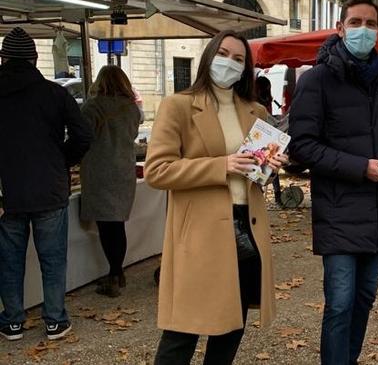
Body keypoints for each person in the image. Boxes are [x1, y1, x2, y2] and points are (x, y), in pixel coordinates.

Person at [145, 30, 286, 365]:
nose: (230, 63)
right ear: (209, 56)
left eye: (239, 59)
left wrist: (270, 167)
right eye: (223, 54)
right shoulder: (178, 106)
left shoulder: (256, 112)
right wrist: (220, 166)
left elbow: (254, 177)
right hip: (200, 233)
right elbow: (157, 171)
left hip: (245, 228)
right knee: (183, 330)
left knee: (231, 325)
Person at [289, 0, 378, 365]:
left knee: (365, 298)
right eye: (355, 23)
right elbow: (302, 147)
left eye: (370, 24)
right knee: (339, 304)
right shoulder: (317, 80)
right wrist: (361, 167)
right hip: (338, 210)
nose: (363, 30)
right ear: (340, 29)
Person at [0, 27, 92, 341]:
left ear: (3, 57)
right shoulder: (56, 93)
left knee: (9, 261)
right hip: (50, 189)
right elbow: (84, 136)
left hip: (6, 193)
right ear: (35, 59)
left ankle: (12, 321)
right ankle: (54, 320)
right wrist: (62, 160)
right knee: (53, 260)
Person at [79, 65, 141, 298]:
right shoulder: (132, 109)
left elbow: (83, 137)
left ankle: (114, 274)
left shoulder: (92, 107)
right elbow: (132, 136)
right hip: (124, 170)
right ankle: (118, 272)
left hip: (100, 171)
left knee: (107, 226)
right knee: (117, 224)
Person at [256, 75, 283, 206]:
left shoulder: (255, 101)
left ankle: (258, 192)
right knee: (272, 165)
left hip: (258, 134)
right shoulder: (268, 100)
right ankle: (278, 195)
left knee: (259, 164)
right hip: (269, 134)